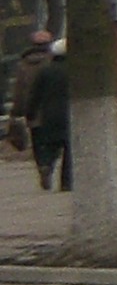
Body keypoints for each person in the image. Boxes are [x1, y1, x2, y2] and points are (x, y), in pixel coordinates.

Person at [27, 39, 69, 193]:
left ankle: (46, 165)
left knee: (50, 144)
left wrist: (30, 113)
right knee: (69, 148)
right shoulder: (76, 71)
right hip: (70, 113)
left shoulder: (45, 71)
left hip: (49, 114)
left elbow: (35, 95)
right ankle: (66, 182)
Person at [7, 26, 49, 158]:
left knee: (37, 141)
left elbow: (19, 90)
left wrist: (16, 112)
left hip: (32, 112)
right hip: (52, 111)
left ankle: (42, 166)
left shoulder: (23, 65)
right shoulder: (53, 62)